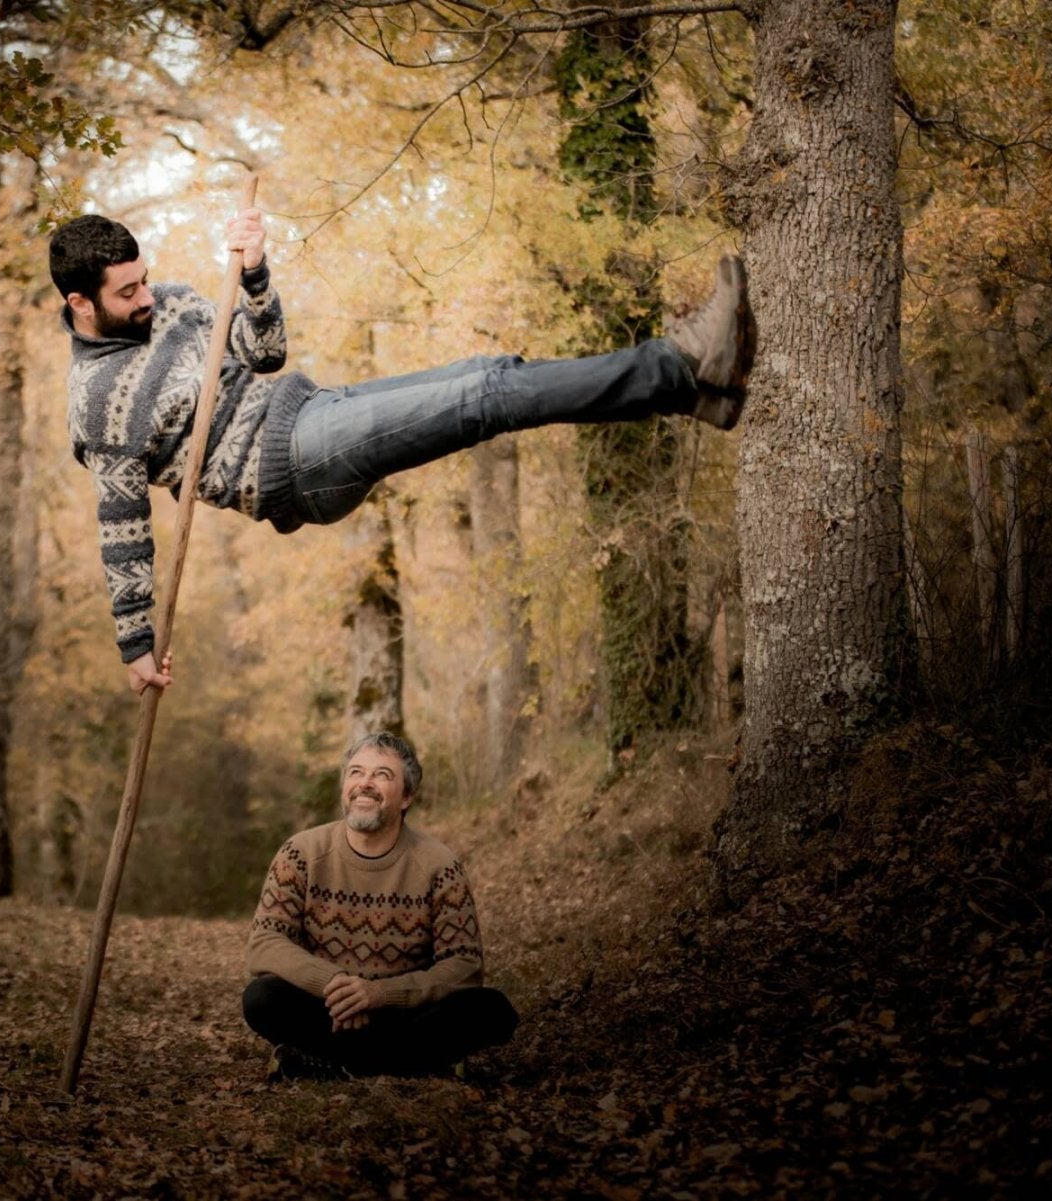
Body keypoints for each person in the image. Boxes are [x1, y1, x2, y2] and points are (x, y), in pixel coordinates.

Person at [51, 208, 754, 694]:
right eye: (128, 291)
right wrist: (135, 646)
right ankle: (687, 364)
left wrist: (257, 273)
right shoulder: (94, 400)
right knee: (489, 393)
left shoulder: (173, 302)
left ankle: (701, 397)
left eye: (144, 277)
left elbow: (265, 352)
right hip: (291, 466)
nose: (148, 295)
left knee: (486, 373)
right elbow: (123, 531)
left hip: (311, 410)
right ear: (83, 303)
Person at [241, 731, 518, 1079]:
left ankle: (329, 1065)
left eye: (381, 775)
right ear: (344, 786)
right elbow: (265, 944)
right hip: (327, 1010)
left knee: (490, 1010)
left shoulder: (439, 865)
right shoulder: (300, 853)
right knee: (262, 998)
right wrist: (338, 985)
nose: (365, 783)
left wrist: (379, 994)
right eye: (356, 772)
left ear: (406, 797)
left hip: (402, 1012)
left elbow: (463, 965)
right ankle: (413, 1064)